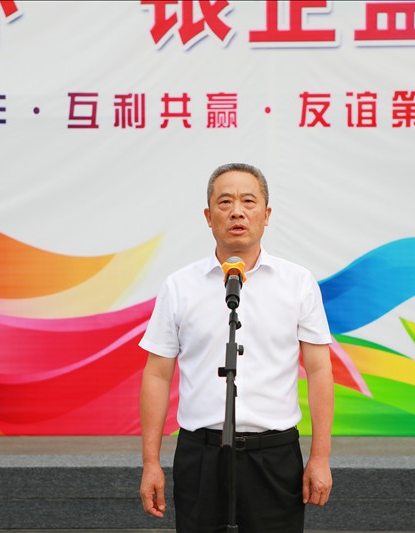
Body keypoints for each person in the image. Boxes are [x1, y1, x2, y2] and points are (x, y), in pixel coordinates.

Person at [138, 162, 334, 532]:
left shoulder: (298, 283)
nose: (237, 211)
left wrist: (320, 457)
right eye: (225, 202)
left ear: (266, 215)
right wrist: (151, 462)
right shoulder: (180, 286)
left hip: (274, 456)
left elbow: (320, 370)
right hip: (201, 456)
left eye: (248, 201)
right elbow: (158, 375)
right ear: (208, 217)